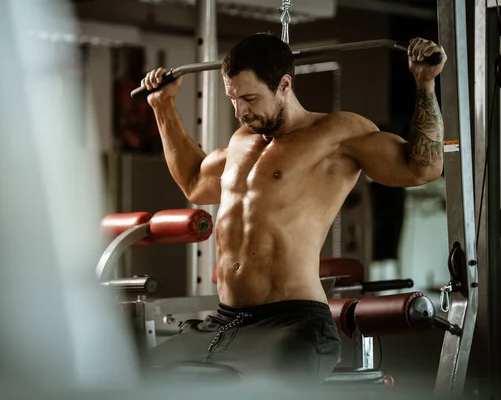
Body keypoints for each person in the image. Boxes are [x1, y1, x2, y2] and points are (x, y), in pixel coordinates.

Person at [139, 33, 446, 384]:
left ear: (284, 84)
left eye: (250, 98)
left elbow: (423, 167)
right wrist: (162, 106)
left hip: (292, 323)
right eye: (233, 99)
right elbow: (194, 180)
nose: (241, 111)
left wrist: (425, 84)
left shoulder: (336, 133)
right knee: (138, 378)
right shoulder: (241, 141)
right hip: (225, 320)